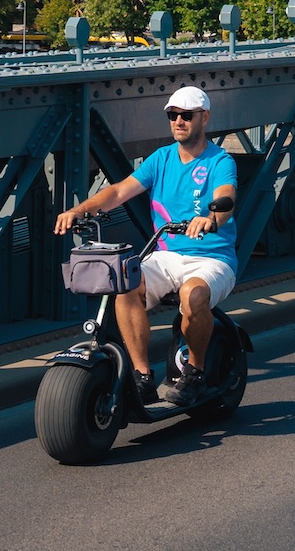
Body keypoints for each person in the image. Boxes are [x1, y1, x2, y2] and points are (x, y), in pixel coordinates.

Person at [54, 85, 238, 407]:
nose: (178, 121)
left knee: (193, 295)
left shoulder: (220, 161)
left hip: (211, 257)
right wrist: (79, 210)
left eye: (186, 115)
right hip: (165, 255)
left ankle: (194, 371)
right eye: (172, 115)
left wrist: (210, 218)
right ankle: (142, 377)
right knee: (125, 283)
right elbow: (118, 192)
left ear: (204, 118)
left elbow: (226, 198)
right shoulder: (161, 159)